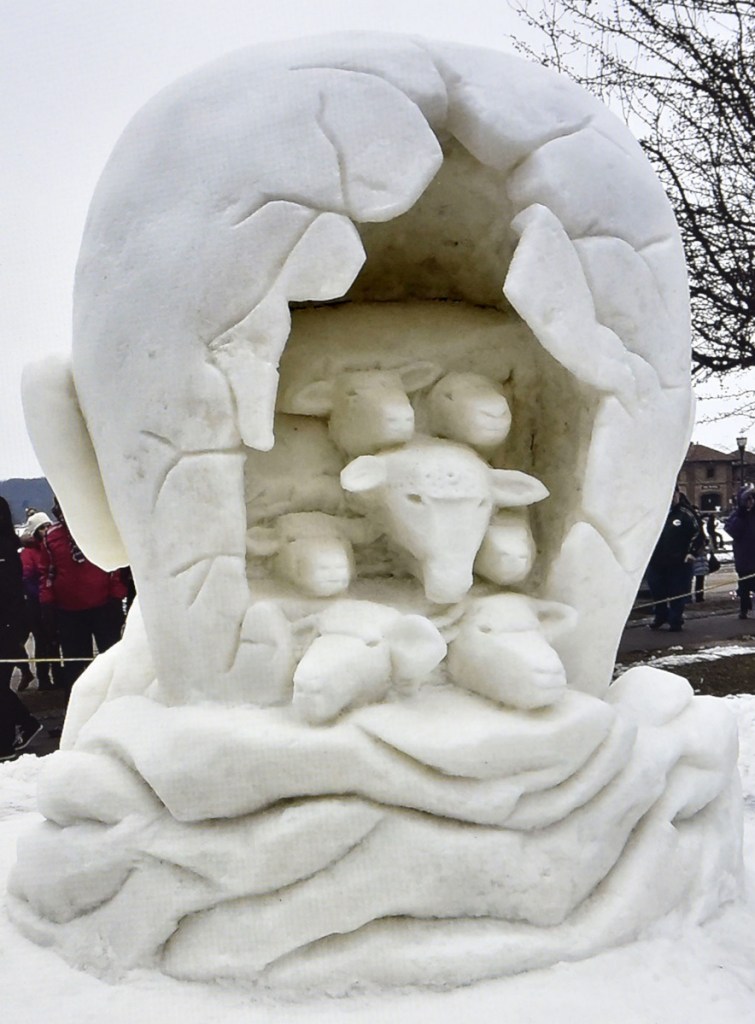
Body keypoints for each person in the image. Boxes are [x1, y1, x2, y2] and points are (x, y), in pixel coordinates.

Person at [38, 500, 126, 690]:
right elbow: (47, 572)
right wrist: (47, 602)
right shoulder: (51, 537)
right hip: (69, 611)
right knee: (75, 664)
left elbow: (113, 565)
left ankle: (118, 695)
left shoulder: (98, 530)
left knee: (112, 657)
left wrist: (116, 596)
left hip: (104, 605)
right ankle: (78, 699)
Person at [0, 496, 44, 760]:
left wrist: (10, 627)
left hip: (7, 625)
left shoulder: (5, 549)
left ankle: (5, 742)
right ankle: (25, 723)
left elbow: (10, 593)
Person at [645, 487, 704, 632]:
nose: (671, 498)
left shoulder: (686, 513)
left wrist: (692, 552)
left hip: (679, 562)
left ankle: (675, 619)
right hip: (657, 561)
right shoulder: (656, 513)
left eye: (673, 495)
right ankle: (660, 616)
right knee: (657, 590)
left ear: (677, 494)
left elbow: (698, 534)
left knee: (677, 592)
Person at [20, 512, 59, 688]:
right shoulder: (28, 553)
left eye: (48, 526)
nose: (46, 530)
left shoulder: (52, 547)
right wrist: (42, 594)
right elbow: (27, 580)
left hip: (54, 601)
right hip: (36, 604)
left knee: (55, 641)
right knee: (42, 641)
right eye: (42, 527)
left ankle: (58, 675)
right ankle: (43, 678)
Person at [724, 484, 755, 619]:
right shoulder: (738, 515)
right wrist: (742, 513)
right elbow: (732, 530)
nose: (751, 501)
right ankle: (744, 608)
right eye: (749, 498)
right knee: (744, 585)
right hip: (744, 558)